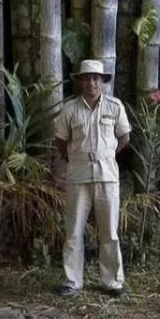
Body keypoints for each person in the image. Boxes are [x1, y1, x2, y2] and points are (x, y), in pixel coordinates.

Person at [53, 58, 131, 298]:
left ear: (103, 82)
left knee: (109, 231)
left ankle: (112, 281)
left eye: (96, 78)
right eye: (87, 78)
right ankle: (72, 281)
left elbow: (124, 138)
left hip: (107, 176)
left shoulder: (115, 107)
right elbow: (60, 141)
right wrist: (77, 158)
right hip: (78, 175)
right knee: (74, 230)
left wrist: (106, 155)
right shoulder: (69, 109)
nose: (92, 82)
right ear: (80, 81)